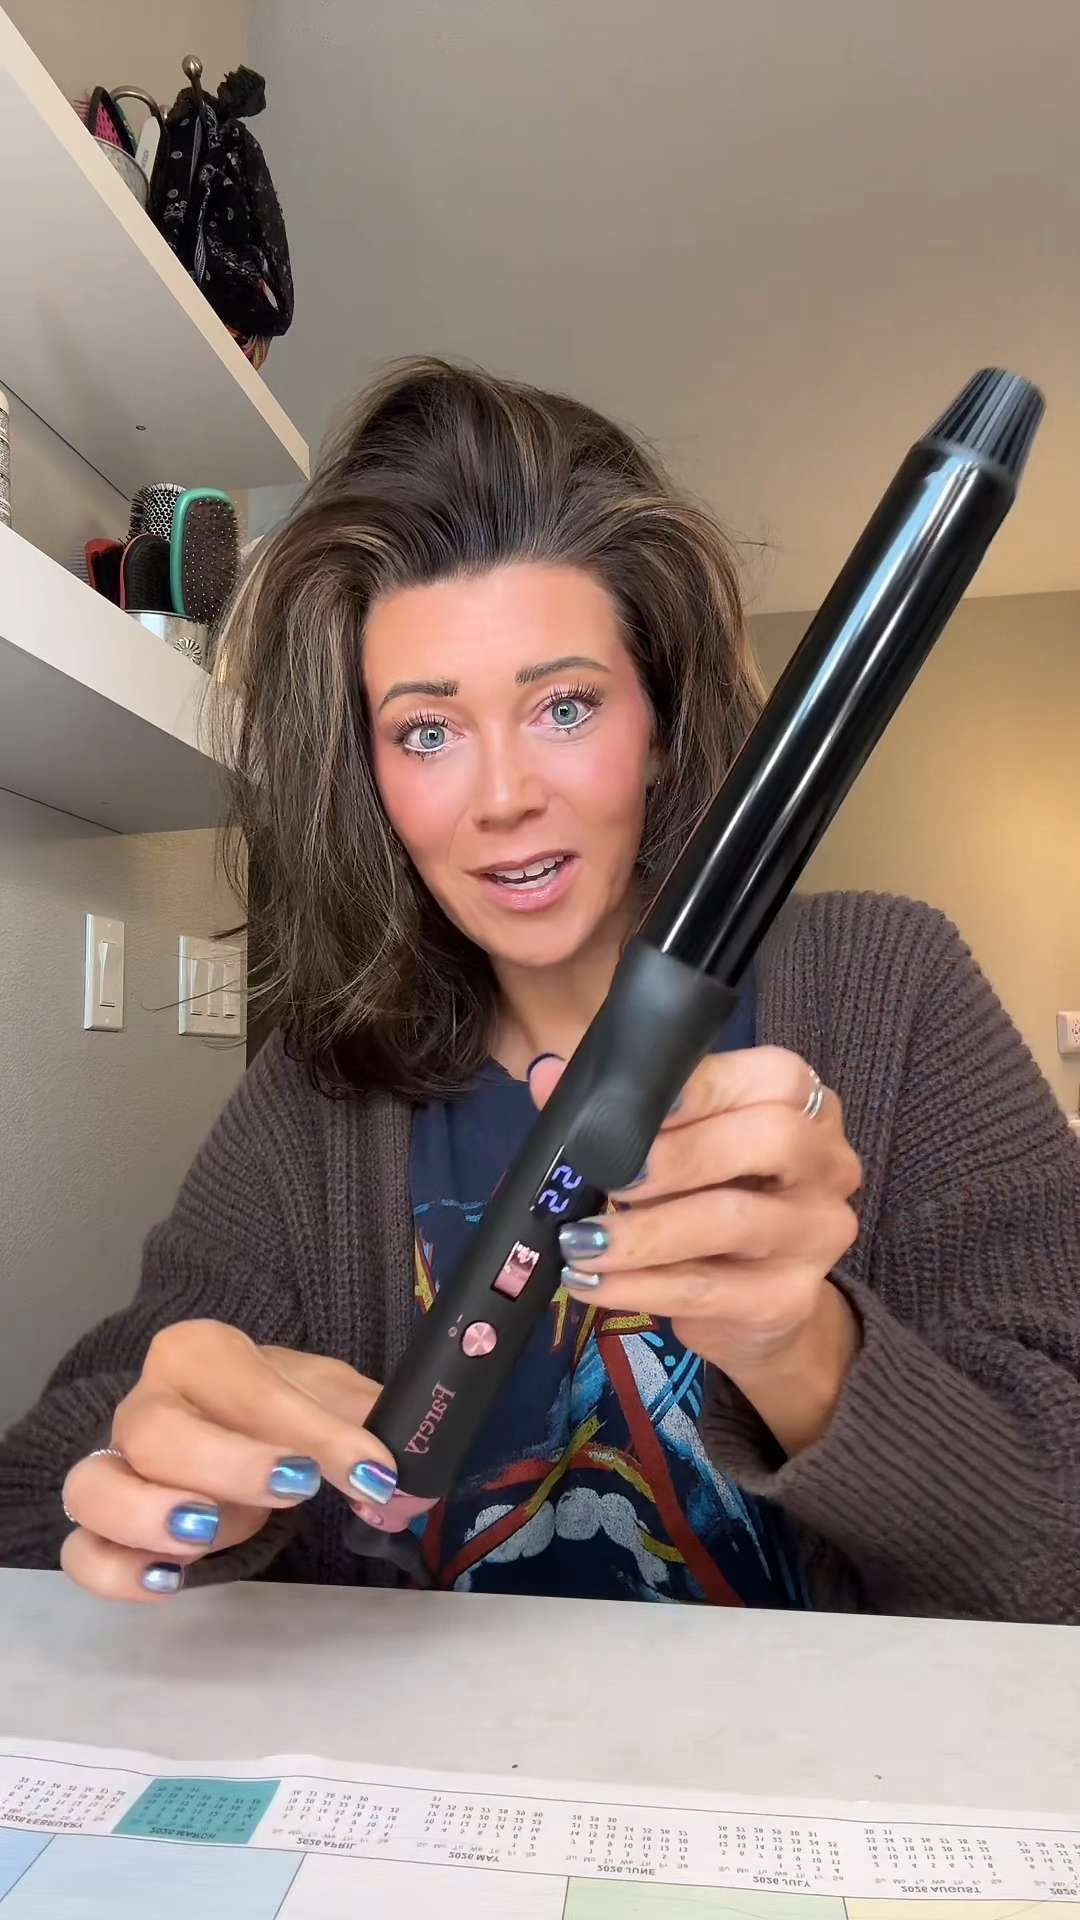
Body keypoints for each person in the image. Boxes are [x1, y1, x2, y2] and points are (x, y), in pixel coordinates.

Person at [1, 359, 1077, 1620]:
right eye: (427, 731)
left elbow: (1057, 1556)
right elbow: (32, 1509)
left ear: (658, 723)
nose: (505, 797)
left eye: (564, 706)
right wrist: (173, 1483)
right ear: (370, 776)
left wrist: (804, 1351)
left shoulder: (892, 990)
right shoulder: (313, 1093)